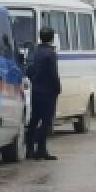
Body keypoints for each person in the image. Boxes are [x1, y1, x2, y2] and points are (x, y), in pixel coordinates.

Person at [26, 26, 61, 161]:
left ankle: (29, 149)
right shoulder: (50, 53)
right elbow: (53, 73)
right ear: (52, 38)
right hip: (48, 92)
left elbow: (28, 70)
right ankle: (41, 149)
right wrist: (57, 87)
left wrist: (34, 80)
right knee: (46, 121)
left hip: (36, 90)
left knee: (34, 119)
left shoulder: (34, 52)